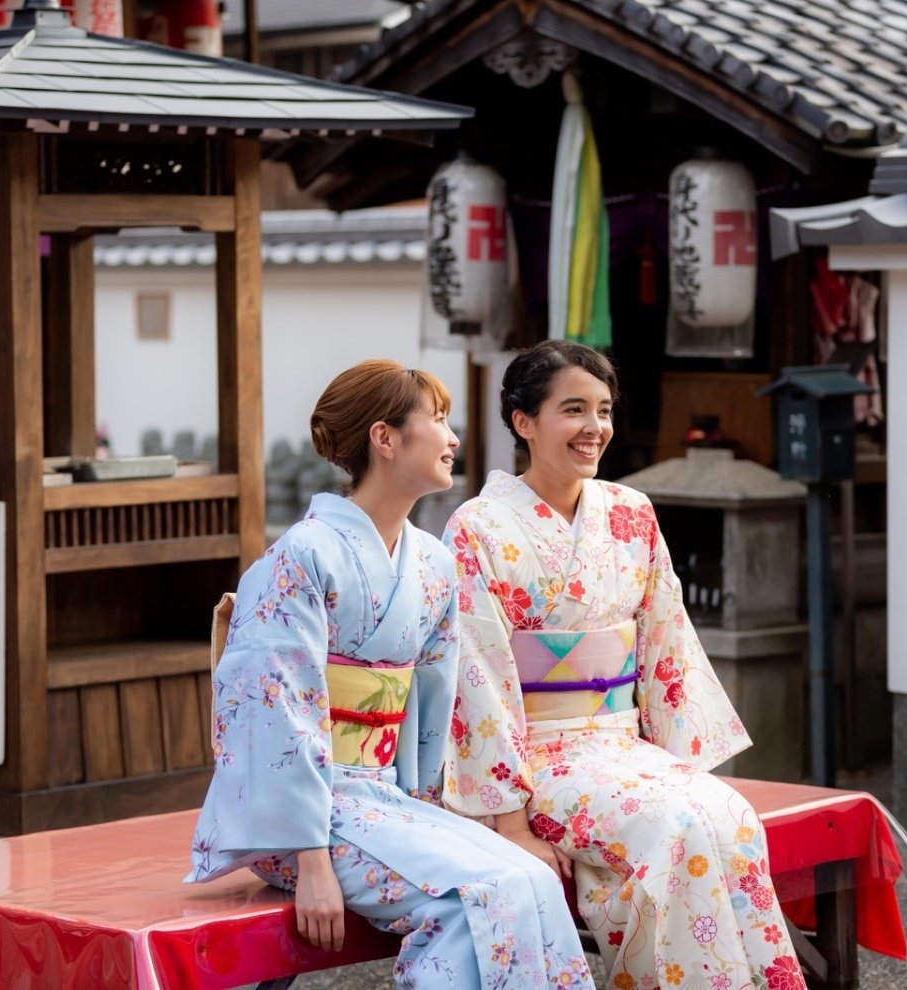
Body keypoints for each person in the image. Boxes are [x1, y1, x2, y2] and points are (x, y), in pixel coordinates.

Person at [186, 360, 595, 990]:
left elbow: (429, 709)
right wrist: (311, 858)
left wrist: (430, 810)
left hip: (384, 799)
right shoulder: (301, 555)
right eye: (436, 419)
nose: (452, 436)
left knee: (530, 878)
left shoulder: (432, 563)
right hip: (301, 818)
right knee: (476, 895)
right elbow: (274, 713)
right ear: (386, 438)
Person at [443, 341, 803, 990]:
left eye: (604, 410)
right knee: (673, 827)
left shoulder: (630, 512)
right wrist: (508, 820)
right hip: (536, 757)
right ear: (524, 422)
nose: (595, 428)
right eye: (573, 409)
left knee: (727, 815)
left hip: (618, 743)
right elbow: (475, 677)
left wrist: (675, 762)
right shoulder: (478, 527)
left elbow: (666, 637)